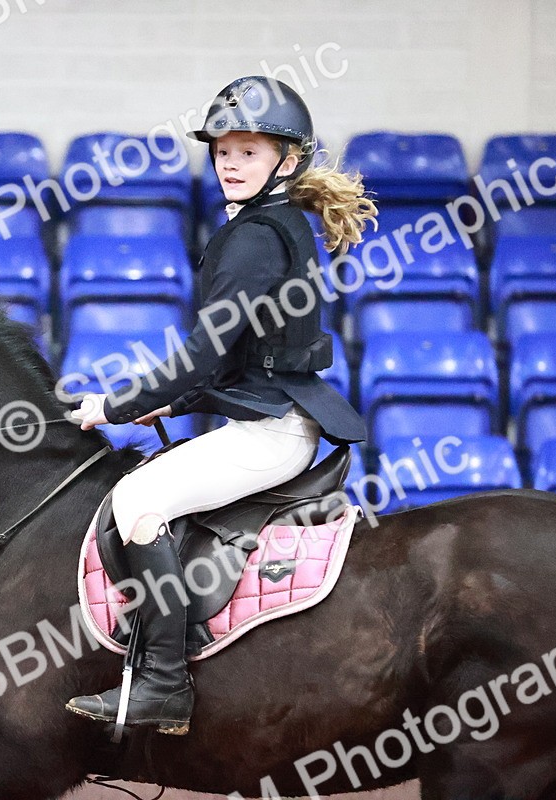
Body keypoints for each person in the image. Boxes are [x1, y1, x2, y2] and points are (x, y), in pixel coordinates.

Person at [65, 75, 377, 735]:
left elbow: (202, 358)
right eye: (222, 151)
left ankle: (163, 687)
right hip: (269, 418)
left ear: (286, 161)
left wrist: (113, 404)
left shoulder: (258, 236)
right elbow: (240, 360)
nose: (231, 164)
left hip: (271, 433)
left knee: (136, 504)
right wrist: (168, 408)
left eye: (249, 152)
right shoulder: (270, 224)